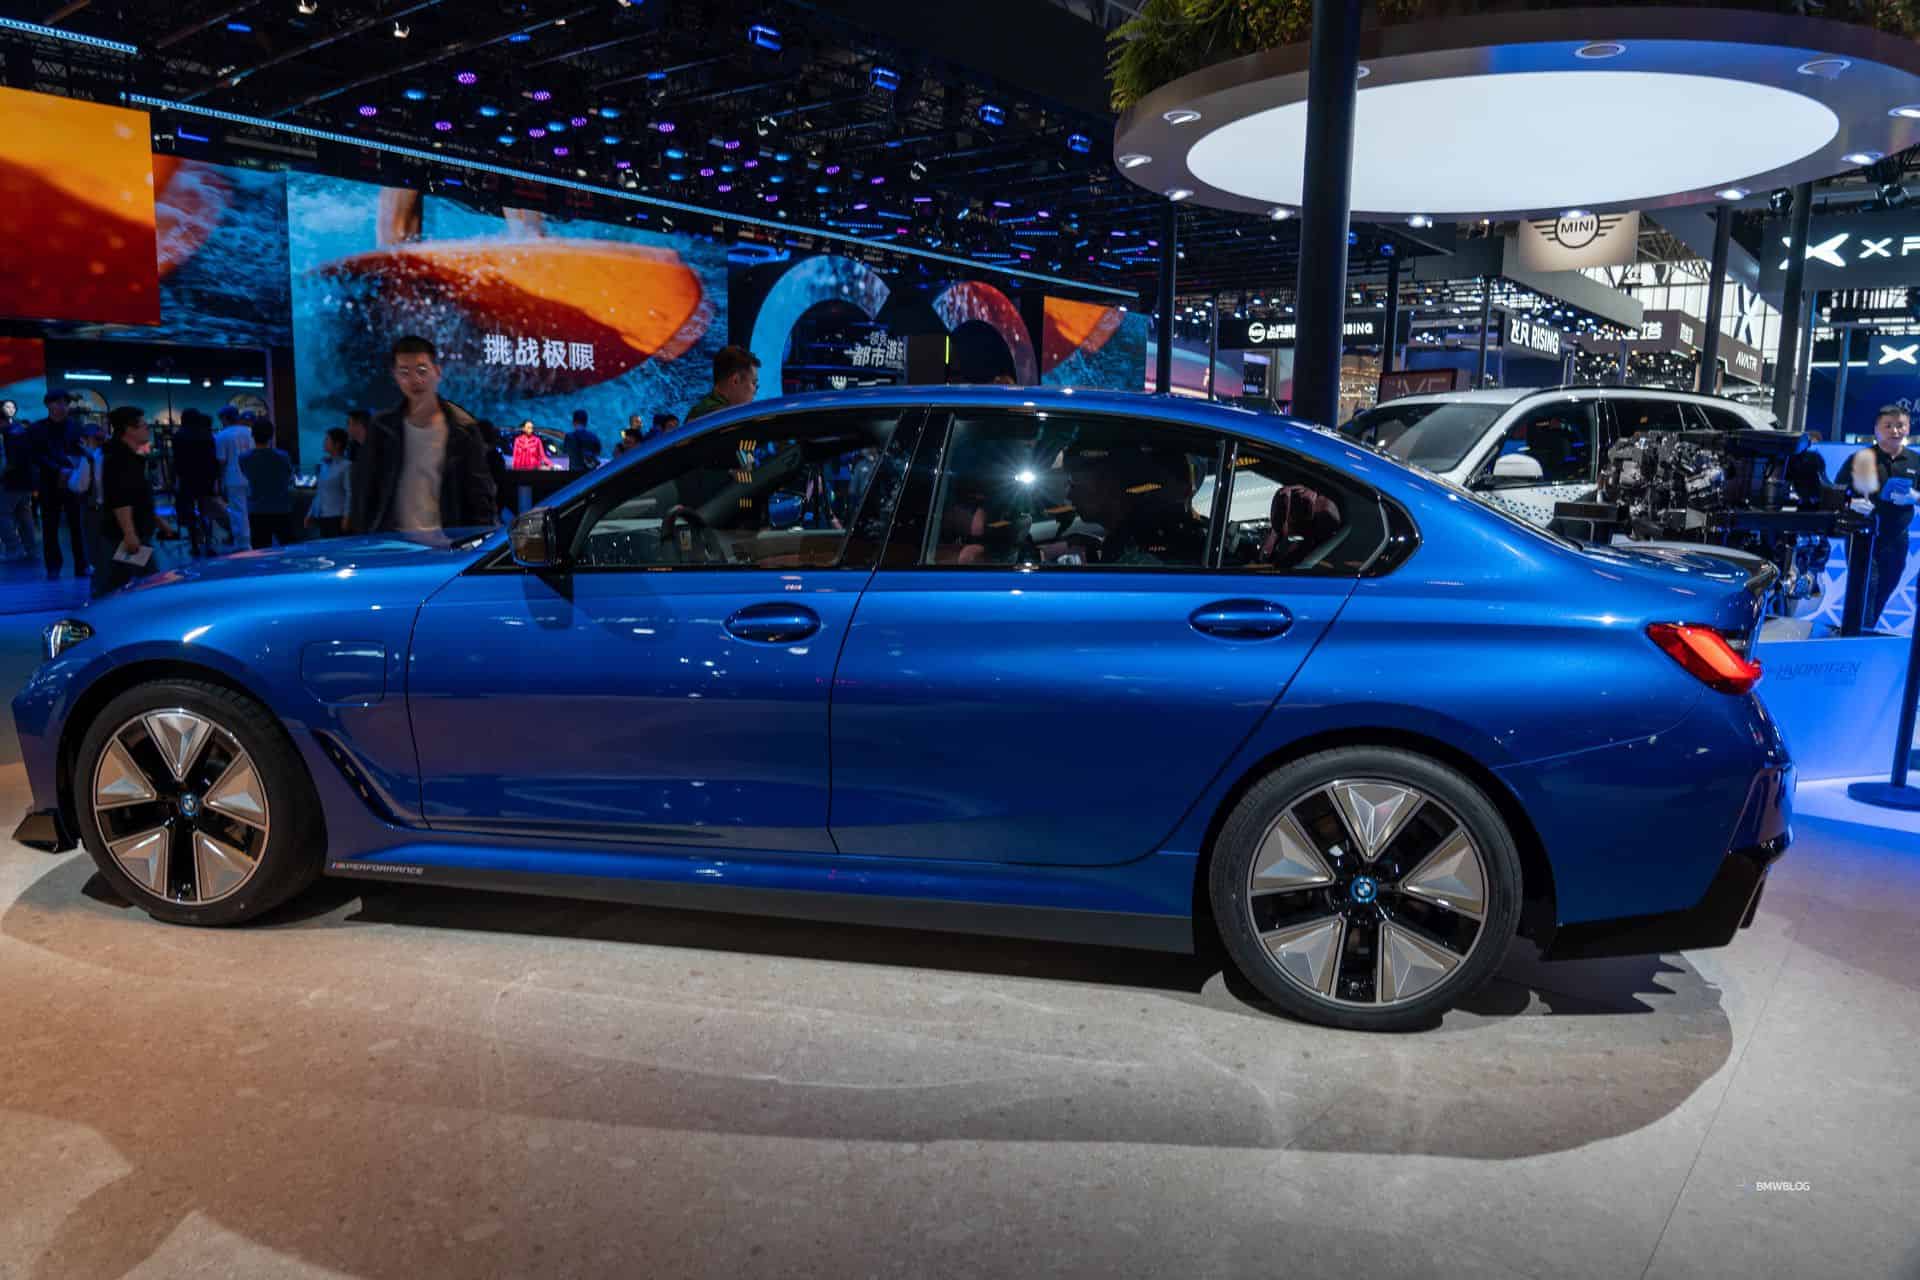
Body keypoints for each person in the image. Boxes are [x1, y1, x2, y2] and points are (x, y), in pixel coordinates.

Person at [350, 335, 496, 534]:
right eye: (405, 372)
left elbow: (480, 498)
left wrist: (476, 543)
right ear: (395, 376)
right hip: (393, 544)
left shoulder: (463, 430)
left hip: (447, 545)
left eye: (422, 370)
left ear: (437, 372)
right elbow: (365, 491)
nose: (415, 380)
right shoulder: (382, 428)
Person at [1837, 404, 1919, 632]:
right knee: (1865, 587)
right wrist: (1851, 503)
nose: (1895, 431)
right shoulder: (1861, 458)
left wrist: (1915, 497)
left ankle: (1864, 632)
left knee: (1886, 585)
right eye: (1888, 426)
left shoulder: (1915, 461)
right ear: (1876, 429)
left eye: (1900, 425)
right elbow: (1835, 493)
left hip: (1897, 538)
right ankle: (1856, 636)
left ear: (1908, 428)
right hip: (1862, 537)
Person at [93, 406, 176, 598]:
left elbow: (137, 497)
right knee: (146, 580)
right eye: (143, 425)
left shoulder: (126, 456)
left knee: (119, 580)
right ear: (129, 429)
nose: (147, 429)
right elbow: (120, 498)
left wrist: (157, 521)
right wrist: (129, 533)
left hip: (130, 531)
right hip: (127, 534)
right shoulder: (120, 458)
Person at [27, 390, 89, 579]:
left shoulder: (75, 426)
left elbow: (81, 449)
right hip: (49, 482)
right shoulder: (37, 428)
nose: (62, 407)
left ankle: (82, 565)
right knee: (50, 526)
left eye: (65, 403)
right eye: (58, 403)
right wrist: (57, 469)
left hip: (73, 480)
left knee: (77, 525)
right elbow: (34, 455)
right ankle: (53, 567)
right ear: (48, 405)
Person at [170, 409, 222, 557]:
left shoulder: (179, 436)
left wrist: (175, 480)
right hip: (205, 479)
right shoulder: (207, 435)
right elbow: (213, 460)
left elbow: (176, 461)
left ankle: (194, 544)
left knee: (189, 512)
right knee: (206, 511)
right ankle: (209, 543)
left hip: (186, 478)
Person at [240, 418, 296, 548]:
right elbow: (289, 476)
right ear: (271, 435)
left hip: (257, 509)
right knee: (289, 548)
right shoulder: (283, 456)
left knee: (260, 550)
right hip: (281, 507)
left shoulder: (244, 458)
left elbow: (246, 474)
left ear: (252, 435)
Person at [0, 399, 35, 562]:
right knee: (24, 515)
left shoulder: (9, 435)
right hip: (26, 481)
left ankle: (14, 549)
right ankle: (30, 549)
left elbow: (9, 462)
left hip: (11, 481)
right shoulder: (20, 430)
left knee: (2, 514)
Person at [214, 405, 254, 549]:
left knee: (238, 512)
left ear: (224, 418)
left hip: (233, 477)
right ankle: (255, 539)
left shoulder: (222, 436)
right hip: (252, 476)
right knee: (252, 509)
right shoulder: (250, 432)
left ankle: (242, 544)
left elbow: (221, 461)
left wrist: (219, 481)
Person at [685, 346, 761, 421]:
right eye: (753, 383)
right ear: (735, 380)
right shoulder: (726, 418)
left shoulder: (699, 410)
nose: (755, 391)